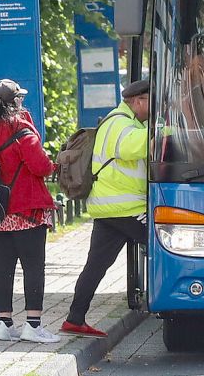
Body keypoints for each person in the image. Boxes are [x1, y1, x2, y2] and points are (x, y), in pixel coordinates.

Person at [0, 79, 60, 343]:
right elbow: (40, 166)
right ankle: (33, 324)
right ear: (15, 101)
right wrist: (53, 165)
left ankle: (4, 323)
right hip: (25, 210)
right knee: (33, 267)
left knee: (3, 267)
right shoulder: (21, 129)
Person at [61, 79, 150, 339]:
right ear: (138, 101)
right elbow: (134, 147)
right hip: (125, 209)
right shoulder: (120, 123)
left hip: (109, 208)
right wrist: (166, 129)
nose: (153, 111)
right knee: (164, 242)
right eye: (151, 103)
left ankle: (75, 319)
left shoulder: (123, 121)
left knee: (96, 266)